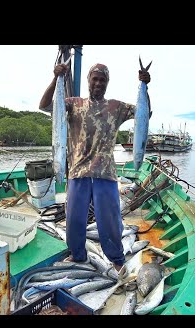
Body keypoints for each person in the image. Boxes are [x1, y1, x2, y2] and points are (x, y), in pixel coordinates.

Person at [39, 62, 151, 279]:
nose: (98, 83)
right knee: (74, 219)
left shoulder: (116, 107)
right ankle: (78, 255)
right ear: (89, 80)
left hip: (105, 173)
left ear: (107, 83)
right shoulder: (73, 104)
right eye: (95, 79)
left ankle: (116, 259)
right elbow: (44, 105)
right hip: (78, 172)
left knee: (109, 220)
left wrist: (145, 86)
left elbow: (145, 114)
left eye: (102, 80)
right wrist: (55, 79)